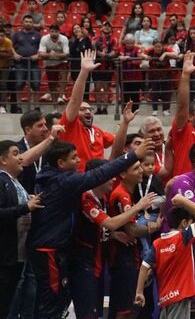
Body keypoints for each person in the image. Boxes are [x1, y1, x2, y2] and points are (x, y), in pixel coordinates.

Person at [26, 136, 153, 318]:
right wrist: (138, 206)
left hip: (84, 255)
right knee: (54, 305)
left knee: (67, 305)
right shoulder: (71, 186)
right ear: (61, 163)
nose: (78, 161)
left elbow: (106, 225)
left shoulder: (92, 194)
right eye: (74, 158)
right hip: (61, 252)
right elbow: (109, 219)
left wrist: (113, 234)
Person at [70, 158, 156, 319]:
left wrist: (114, 235)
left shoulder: (102, 197)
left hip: (100, 259)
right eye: (108, 175)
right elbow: (110, 223)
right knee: (90, 311)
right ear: (96, 177)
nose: (113, 178)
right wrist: (140, 209)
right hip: (85, 261)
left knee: (102, 309)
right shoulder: (86, 197)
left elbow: (104, 227)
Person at [134, 194, 195, 318]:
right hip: (180, 296)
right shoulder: (184, 237)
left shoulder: (157, 243)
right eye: (191, 222)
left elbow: (144, 266)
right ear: (184, 223)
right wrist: (183, 200)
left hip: (165, 298)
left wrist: (139, 292)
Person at [0, 140, 44, 318]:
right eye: (16, 153)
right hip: (4, 258)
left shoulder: (15, 182)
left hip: (18, 256)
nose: (20, 158)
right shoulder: (1, 181)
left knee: (9, 305)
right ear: (3, 160)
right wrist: (25, 207)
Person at [58, 50, 115, 172]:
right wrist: (84, 72)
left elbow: (117, 141)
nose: (88, 112)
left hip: (99, 180)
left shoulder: (97, 131)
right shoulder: (70, 125)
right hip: (79, 179)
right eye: (83, 109)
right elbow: (74, 101)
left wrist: (125, 124)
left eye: (90, 109)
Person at [141, 38, 178, 116]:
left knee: (166, 93)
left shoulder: (166, 49)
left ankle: (166, 109)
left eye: (159, 46)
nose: (158, 48)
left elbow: (176, 54)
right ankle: (155, 110)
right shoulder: (151, 50)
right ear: (153, 46)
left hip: (166, 74)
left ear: (162, 46)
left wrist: (165, 54)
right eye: (156, 47)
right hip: (154, 75)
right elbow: (142, 54)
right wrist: (146, 57)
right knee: (154, 93)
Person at [12, 15, 41, 106]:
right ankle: (18, 105)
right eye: (26, 21)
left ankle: (36, 106)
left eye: (30, 22)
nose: (28, 23)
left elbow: (42, 48)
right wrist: (15, 54)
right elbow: (11, 46)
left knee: (36, 84)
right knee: (19, 83)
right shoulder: (16, 34)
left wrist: (38, 55)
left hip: (34, 64)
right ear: (22, 23)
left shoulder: (37, 35)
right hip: (20, 63)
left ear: (32, 23)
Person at [93, 21, 118, 114]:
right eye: (105, 26)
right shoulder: (95, 38)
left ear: (111, 28)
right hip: (97, 66)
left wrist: (106, 55)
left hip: (108, 66)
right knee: (98, 88)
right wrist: (100, 54)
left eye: (109, 26)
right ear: (102, 28)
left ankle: (105, 109)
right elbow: (93, 50)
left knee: (106, 88)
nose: (107, 27)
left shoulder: (113, 39)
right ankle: (99, 108)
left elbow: (114, 51)